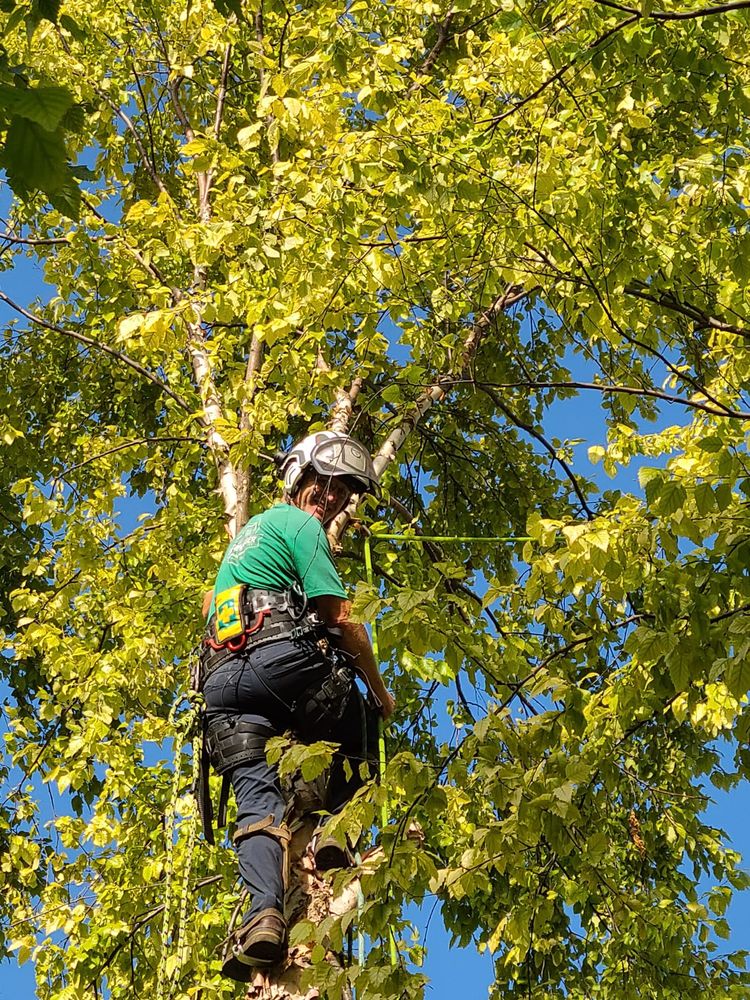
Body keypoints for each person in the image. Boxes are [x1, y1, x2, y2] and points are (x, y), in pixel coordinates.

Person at [198, 431, 395, 981]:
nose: (331, 499)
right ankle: (337, 834)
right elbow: (340, 616)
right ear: (298, 477)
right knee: (357, 721)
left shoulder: (243, 544)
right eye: (325, 485)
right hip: (278, 658)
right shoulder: (300, 524)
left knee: (257, 803)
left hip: (222, 682)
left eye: (342, 494)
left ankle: (263, 915)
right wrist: (381, 693)